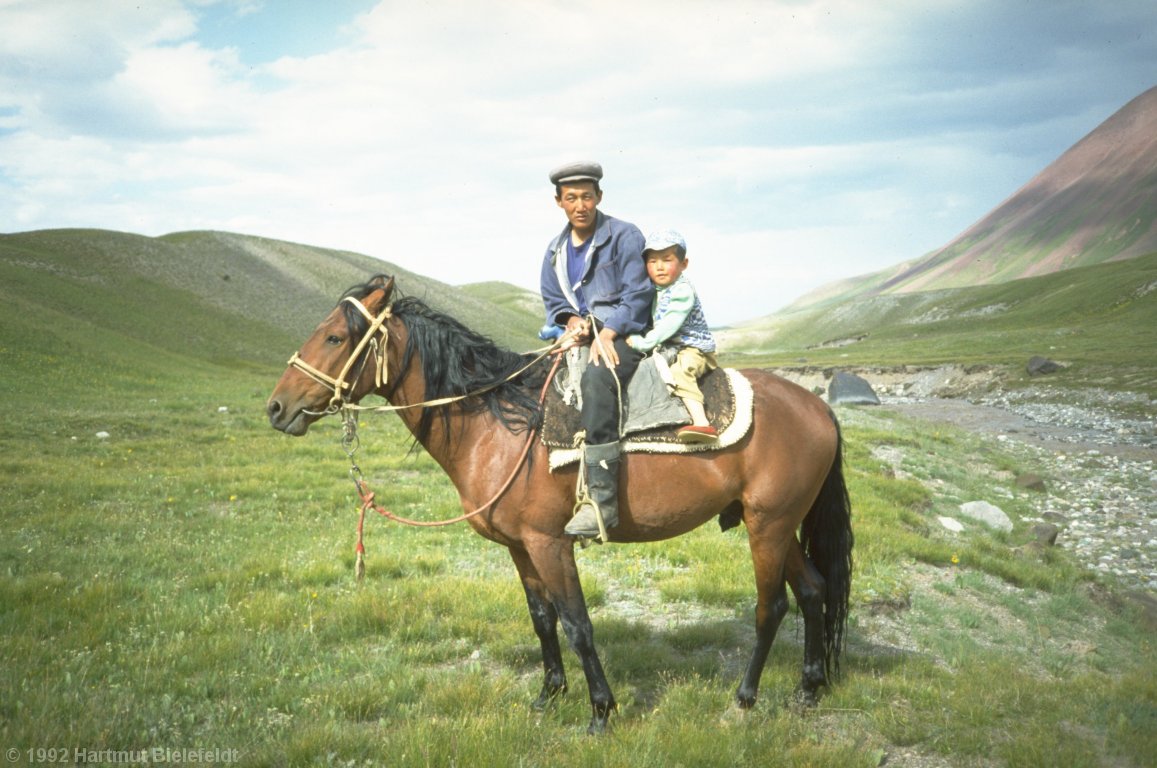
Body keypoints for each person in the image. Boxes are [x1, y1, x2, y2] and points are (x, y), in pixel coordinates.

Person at [540, 161, 651, 541]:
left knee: (597, 377)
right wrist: (572, 323)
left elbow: (638, 294)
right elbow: (556, 301)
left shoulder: (624, 236)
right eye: (571, 198)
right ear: (559, 202)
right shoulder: (554, 252)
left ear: (599, 197)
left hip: (627, 334)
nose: (580, 205)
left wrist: (608, 332)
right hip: (583, 335)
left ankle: (601, 502)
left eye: (587, 196)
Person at [626, 230, 719, 444]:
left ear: (684, 263)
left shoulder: (682, 290)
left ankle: (702, 422)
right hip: (671, 346)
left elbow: (669, 325)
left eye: (667, 260)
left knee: (680, 372)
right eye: (652, 261)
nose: (659, 267)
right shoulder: (654, 289)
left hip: (693, 347)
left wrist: (643, 343)